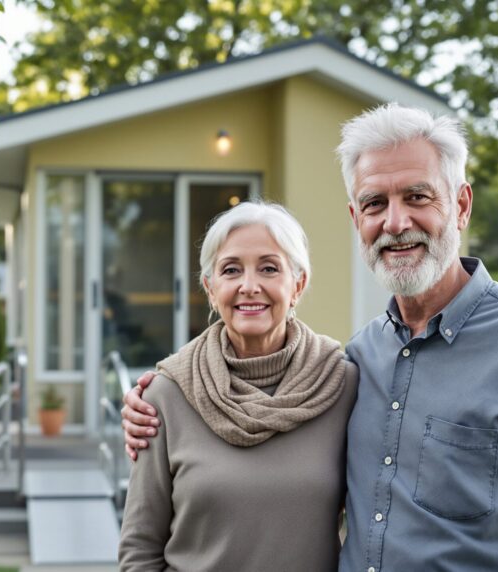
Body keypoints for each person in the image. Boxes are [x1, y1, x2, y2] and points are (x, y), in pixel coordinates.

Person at [122, 104, 498, 570]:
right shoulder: (354, 363)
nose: (396, 223)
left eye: (418, 196)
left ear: (461, 205)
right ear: (356, 219)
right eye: (375, 204)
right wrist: (158, 398)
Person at [118, 201, 359, 571]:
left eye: (269, 268)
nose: (249, 286)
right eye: (231, 270)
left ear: (298, 284)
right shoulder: (165, 396)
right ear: (210, 288)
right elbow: (140, 551)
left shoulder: (342, 385)